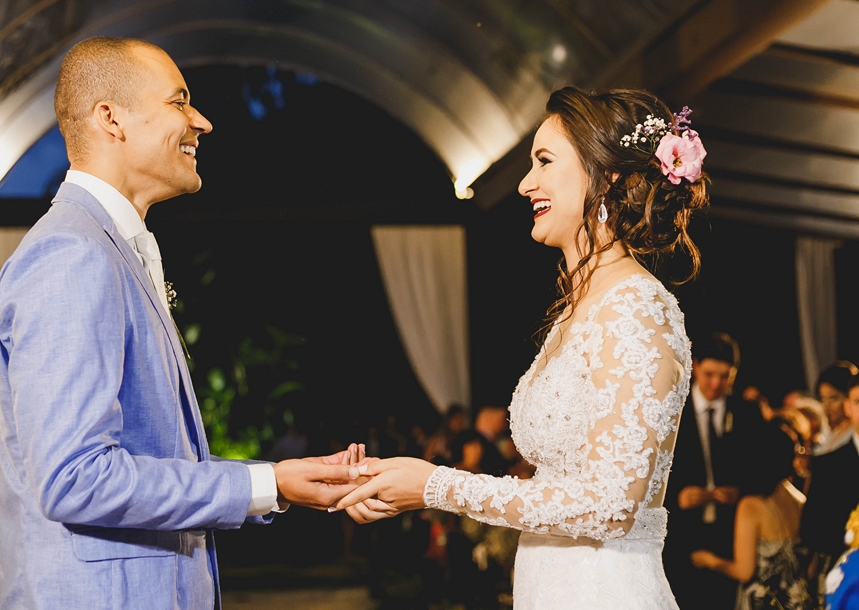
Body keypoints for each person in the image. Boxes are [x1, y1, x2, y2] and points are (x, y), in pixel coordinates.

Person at [0, 36, 363, 610]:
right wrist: (266, 485)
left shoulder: (110, 248)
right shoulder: (72, 254)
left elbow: (150, 457)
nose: (202, 122)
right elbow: (76, 478)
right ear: (110, 119)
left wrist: (278, 479)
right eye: (179, 101)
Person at [334, 87, 708, 608]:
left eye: (544, 162)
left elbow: (610, 507)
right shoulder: (577, 313)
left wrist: (437, 486)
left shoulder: (637, 310)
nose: (525, 183)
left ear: (608, 177)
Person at [663, 331, 767, 608]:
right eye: (710, 374)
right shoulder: (672, 412)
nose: (716, 383)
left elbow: (761, 471)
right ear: (695, 365)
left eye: (725, 376)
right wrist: (677, 497)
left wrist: (740, 492)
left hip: (731, 540)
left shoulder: (747, 414)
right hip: (680, 539)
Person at [690, 423, 814, 610]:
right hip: (798, 600)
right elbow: (810, 564)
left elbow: (744, 571)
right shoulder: (798, 498)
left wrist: (709, 560)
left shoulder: (750, 506)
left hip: (764, 602)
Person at [801, 370, 859, 601]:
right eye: (858, 402)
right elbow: (810, 529)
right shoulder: (827, 466)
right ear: (848, 407)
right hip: (847, 583)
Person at [814, 361, 858, 456]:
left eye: (833, 398)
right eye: (823, 399)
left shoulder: (854, 436)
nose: (826, 406)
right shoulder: (829, 434)